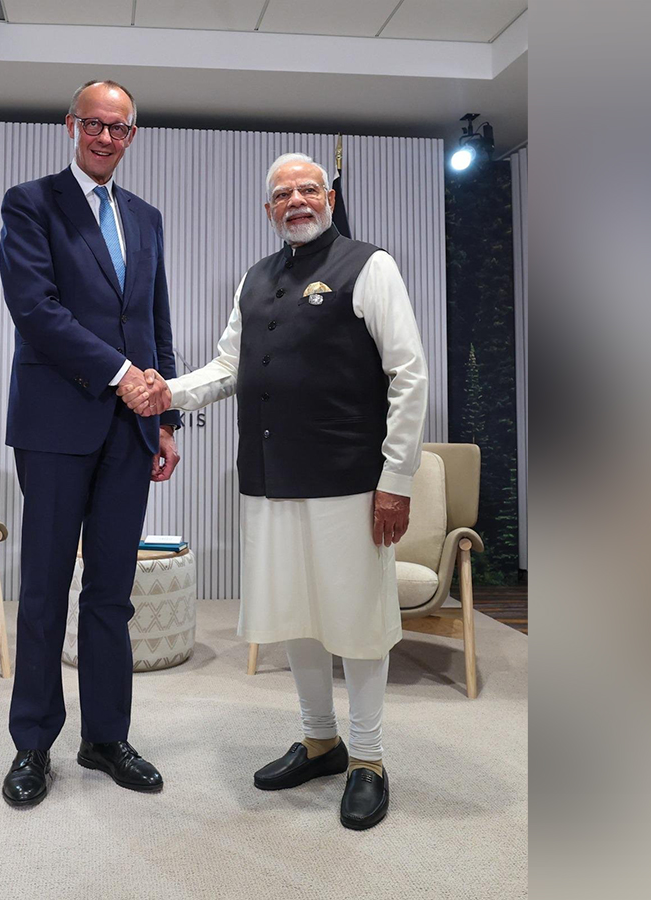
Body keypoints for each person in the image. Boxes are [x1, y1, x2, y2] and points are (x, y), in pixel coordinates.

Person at [120, 153, 427, 830]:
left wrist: (395, 480)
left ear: (330, 196)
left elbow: (410, 374)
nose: (296, 200)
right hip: (269, 480)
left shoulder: (369, 266)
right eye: (282, 193)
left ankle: (369, 759)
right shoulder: (254, 279)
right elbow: (228, 365)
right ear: (268, 210)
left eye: (308, 189)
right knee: (298, 617)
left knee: (358, 622)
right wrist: (165, 391)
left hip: (350, 482)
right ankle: (321, 741)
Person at [0, 80, 180, 809]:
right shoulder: (30, 202)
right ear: (71, 124)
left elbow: (154, 317)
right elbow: (34, 309)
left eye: (121, 128)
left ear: (133, 135)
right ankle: (33, 745)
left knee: (110, 593)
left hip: (131, 432)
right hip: (54, 425)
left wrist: (162, 415)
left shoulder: (146, 217)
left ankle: (105, 737)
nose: (107, 137)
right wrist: (119, 375)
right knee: (44, 589)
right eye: (95, 124)